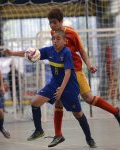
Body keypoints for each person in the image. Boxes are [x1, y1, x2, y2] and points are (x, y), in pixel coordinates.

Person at [3, 30, 97, 148]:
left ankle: (89, 138)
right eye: (53, 39)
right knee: (35, 103)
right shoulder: (49, 50)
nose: (55, 41)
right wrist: (11, 52)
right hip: (54, 83)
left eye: (58, 39)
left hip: (69, 87)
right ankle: (39, 130)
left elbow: (68, 73)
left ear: (65, 41)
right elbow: (29, 53)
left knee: (78, 114)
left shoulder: (67, 52)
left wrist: (61, 90)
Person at [46, 8, 120, 147]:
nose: (52, 26)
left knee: (89, 99)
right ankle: (58, 134)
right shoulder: (53, 34)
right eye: (50, 23)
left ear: (61, 21)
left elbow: (82, 51)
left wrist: (90, 65)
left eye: (54, 23)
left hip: (76, 71)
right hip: (62, 74)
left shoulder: (72, 33)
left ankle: (115, 112)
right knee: (58, 101)